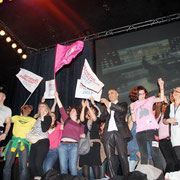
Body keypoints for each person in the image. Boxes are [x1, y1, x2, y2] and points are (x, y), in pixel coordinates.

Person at [129, 78, 164, 170]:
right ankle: (145, 176)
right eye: (139, 94)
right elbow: (133, 119)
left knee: (155, 153)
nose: (142, 96)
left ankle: (160, 175)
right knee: (144, 156)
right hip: (140, 132)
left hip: (152, 130)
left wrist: (161, 86)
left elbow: (161, 98)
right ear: (136, 95)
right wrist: (132, 110)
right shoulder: (134, 104)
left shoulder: (150, 100)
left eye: (143, 93)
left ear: (145, 94)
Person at [100, 89, 132, 178]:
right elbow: (102, 118)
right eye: (108, 94)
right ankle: (113, 177)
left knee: (122, 156)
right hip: (108, 133)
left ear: (117, 94)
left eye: (112, 93)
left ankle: (127, 177)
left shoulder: (123, 104)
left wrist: (109, 104)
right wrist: (107, 108)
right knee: (110, 158)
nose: (110, 95)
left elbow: (122, 110)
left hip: (119, 132)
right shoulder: (107, 108)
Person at [55, 92, 85, 176]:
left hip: (74, 146)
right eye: (71, 111)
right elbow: (61, 108)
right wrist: (57, 97)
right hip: (63, 145)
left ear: (77, 113)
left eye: (73, 110)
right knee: (63, 168)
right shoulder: (67, 120)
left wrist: (83, 135)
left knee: (73, 168)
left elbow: (82, 134)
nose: (71, 111)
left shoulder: (81, 124)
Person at [3, 105, 36, 180]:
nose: (28, 110)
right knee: (7, 166)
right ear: (22, 109)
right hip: (13, 142)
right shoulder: (16, 117)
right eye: (26, 108)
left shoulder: (33, 120)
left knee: (23, 167)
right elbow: (5, 121)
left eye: (30, 109)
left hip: (24, 144)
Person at [29, 102, 52, 180]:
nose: (40, 107)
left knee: (38, 164)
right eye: (39, 106)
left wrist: (42, 117)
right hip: (34, 142)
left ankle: (41, 178)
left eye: (43, 106)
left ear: (46, 109)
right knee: (31, 164)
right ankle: (36, 178)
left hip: (43, 142)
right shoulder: (36, 118)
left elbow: (44, 129)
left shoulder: (48, 117)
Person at [79, 99, 101, 179]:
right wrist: (84, 107)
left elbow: (94, 118)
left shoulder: (97, 119)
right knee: (85, 163)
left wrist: (88, 106)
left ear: (95, 111)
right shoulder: (86, 121)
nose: (89, 110)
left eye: (92, 109)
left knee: (95, 163)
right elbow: (81, 119)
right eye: (88, 110)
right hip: (85, 144)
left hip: (94, 144)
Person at [43, 99, 63, 174]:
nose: (51, 117)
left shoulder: (58, 126)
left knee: (47, 168)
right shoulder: (44, 126)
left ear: (55, 119)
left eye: (53, 116)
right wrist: (54, 103)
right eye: (50, 116)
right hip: (44, 150)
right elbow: (51, 112)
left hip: (53, 150)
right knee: (42, 168)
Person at [163, 87, 180, 169]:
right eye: (174, 91)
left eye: (177, 91)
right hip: (175, 139)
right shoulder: (170, 107)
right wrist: (168, 120)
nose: (175, 93)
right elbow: (164, 120)